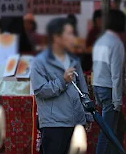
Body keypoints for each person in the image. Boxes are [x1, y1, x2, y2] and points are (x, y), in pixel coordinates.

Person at [31, 17, 92, 154]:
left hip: (76, 121)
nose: (73, 38)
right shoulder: (40, 62)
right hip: (54, 124)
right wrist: (62, 80)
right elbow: (40, 91)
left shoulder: (73, 60)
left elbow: (83, 89)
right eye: (69, 33)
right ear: (56, 37)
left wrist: (86, 115)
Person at [93, 9, 126, 154]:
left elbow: (96, 67)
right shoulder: (116, 43)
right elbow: (117, 75)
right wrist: (118, 101)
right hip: (109, 89)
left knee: (119, 128)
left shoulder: (100, 41)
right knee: (108, 133)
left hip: (99, 86)